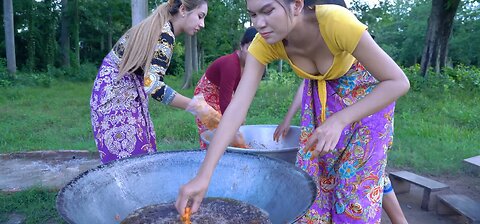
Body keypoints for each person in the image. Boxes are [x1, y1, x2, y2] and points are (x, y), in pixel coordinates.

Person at [176, 0, 410, 223]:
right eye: (253, 14)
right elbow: (236, 109)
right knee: (315, 186)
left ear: (297, 5)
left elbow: (398, 82)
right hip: (322, 101)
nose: (258, 23)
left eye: (267, 11)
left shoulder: (336, 22)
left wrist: (340, 120)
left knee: (353, 195)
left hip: (368, 102)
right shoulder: (264, 43)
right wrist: (204, 176)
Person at [90, 0, 211, 164]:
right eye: (200, 16)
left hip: (114, 92)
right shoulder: (165, 35)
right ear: (183, 9)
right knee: (131, 165)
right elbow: (154, 86)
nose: (202, 24)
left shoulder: (160, 26)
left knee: (141, 157)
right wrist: (196, 107)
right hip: (115, 99)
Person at [274, 83, 408, 224]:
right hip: (334, 113)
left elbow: (398, 82)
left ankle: (399, 220)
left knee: (356, 183)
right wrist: (288, 117)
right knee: (363, 175)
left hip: (370, 111)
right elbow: (308, 81)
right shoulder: (317, 73)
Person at [193, 27, 258, 149]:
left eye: (257, 50)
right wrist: (232, 127)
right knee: (214, 131)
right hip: (205, 96)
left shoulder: (247, 66)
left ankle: (229, 154)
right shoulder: (231, 64)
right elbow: (225, 103)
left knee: (233, 125)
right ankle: (209, 159)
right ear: (241, 46)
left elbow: (240, 93)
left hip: (222, 94)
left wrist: (240, 116)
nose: (252, 54)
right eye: (249, 48)